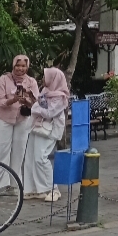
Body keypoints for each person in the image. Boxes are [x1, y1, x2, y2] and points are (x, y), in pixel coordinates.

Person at [0, 55, 39, 198]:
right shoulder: (4, 79)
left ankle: (14, 184)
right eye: (18, 65)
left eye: (23, 66)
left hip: (22, 120)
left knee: (18, 152)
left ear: (27, 67)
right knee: (0, 151)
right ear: (13, 65)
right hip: (4, 119)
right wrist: (13, 100)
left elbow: (37, 103)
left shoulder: (31, 82)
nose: (20, 68)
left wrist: (26, 100)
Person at [24, 67, 69, 202]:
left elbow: (49, 112)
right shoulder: (45, 91)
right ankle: (34, 189)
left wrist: (35, 108)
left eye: (46, 76)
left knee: (41, 158)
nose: (43, 79)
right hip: (37, 127)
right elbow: (41, 107)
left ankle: (53, 189)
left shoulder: (60, 96)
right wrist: (33, 103)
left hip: (49, 130)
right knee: (31, 157)